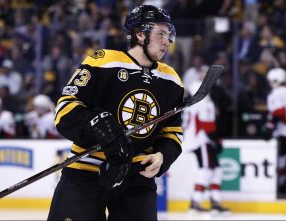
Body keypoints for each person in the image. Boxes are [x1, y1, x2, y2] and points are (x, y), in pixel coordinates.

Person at [48, 5, 184, 221]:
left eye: (168, 35)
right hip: (86, 171)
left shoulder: (171, 80)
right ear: (140, 34)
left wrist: (162, 156)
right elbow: (65, 110)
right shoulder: (104, 61)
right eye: (160, 34)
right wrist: (95, 124)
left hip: (136, 178)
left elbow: (172, 132)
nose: (167, 41)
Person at [182, 80, 229, 214]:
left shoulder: (192, 101)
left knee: (216, 169)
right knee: (207, 169)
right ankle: (196, 201)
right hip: (201, 140)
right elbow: (207, 125)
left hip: (196, 140)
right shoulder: (204, 101)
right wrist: (217, 140)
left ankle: (215, 200)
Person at [262, 67, 286, 196]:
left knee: (281, 160)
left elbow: (278, 112)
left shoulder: (276, 93)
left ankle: (282, 185)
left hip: (283, 131)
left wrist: (269, 127)